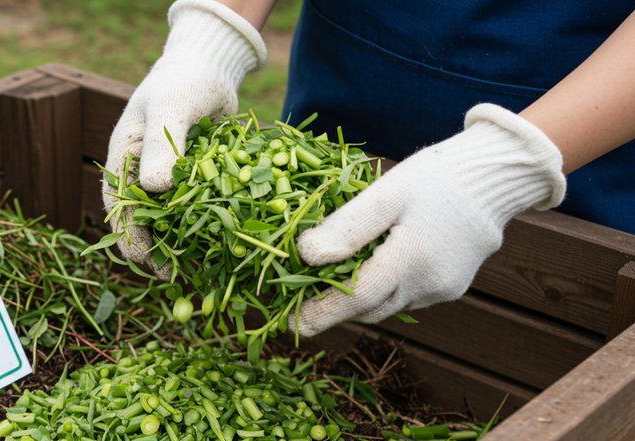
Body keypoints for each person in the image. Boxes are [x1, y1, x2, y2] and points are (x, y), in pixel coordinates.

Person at [105, 0, 635, 336]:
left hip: (580, 121)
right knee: (315, 260)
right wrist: (212, 32)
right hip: (353, 65)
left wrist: (506, 166)